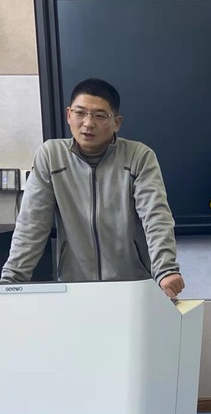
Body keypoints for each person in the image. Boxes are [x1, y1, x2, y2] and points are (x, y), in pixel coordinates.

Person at [0, 78, 185, 299]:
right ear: (69, 115)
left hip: (133, 286)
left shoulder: (139, 156)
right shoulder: (51, 156)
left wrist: (166, 270)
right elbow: (32, 224)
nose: (88, 123)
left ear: (117, 123)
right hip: (75, 287)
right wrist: (10, 282)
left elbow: (156, 217)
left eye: (100, 116)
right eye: (80, 113)